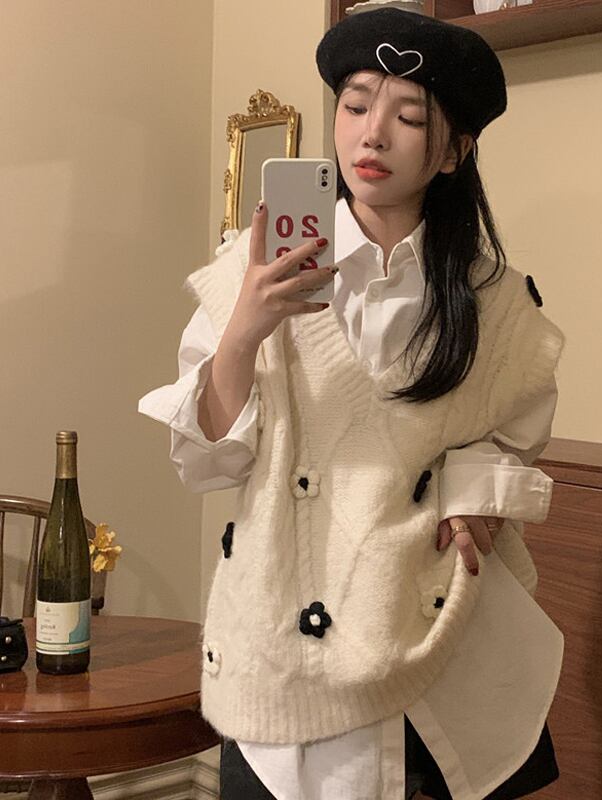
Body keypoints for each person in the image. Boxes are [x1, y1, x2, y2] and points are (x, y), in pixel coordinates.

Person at [139, 8, 566, 800]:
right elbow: (208, 458)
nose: (373, 133)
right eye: (356, 104)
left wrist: (479, 493)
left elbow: (518, 427)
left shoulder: (493, 299)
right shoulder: (245, 273)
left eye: (410, 117)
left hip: (438, 640)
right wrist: (246, 329)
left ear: (455, 150)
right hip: (285, 654)